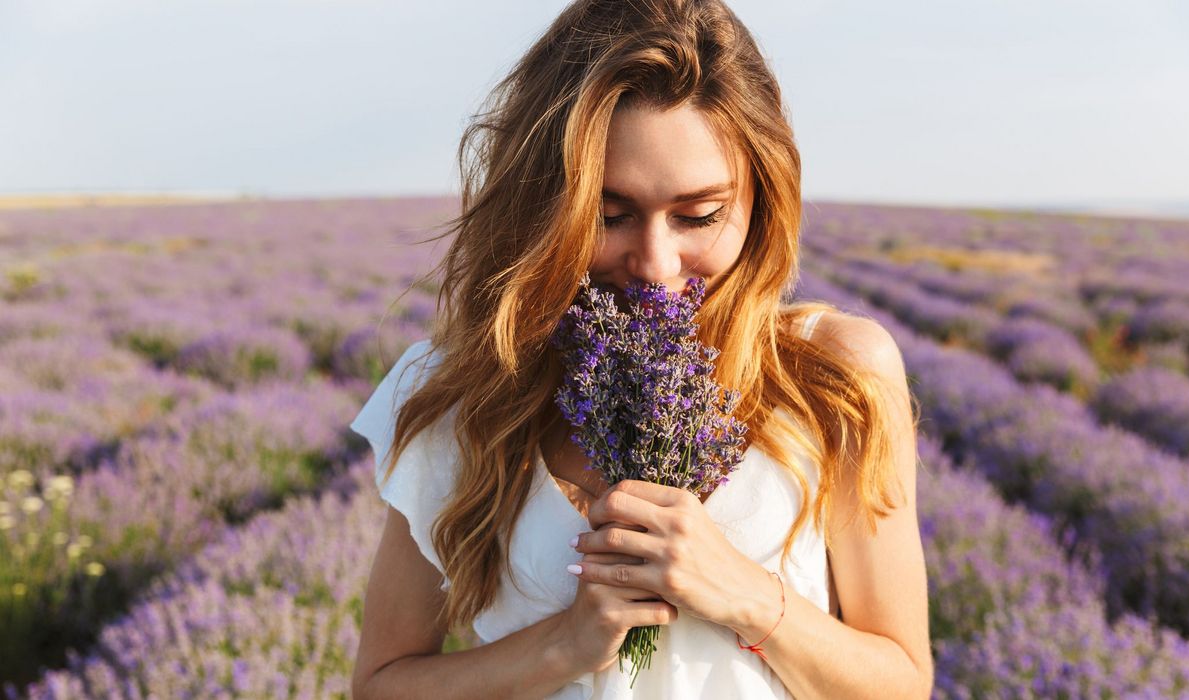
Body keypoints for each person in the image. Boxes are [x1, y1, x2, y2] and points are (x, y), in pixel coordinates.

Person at [349, 1, 932, 698]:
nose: (655, 264)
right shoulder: (463, 389)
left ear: (762, 200)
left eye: (698, 215)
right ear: (544, 207)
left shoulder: (836, 374)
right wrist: (563, 645)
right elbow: (381, 685)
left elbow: (901, 683)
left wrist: (748, 597)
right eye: (609, 214)